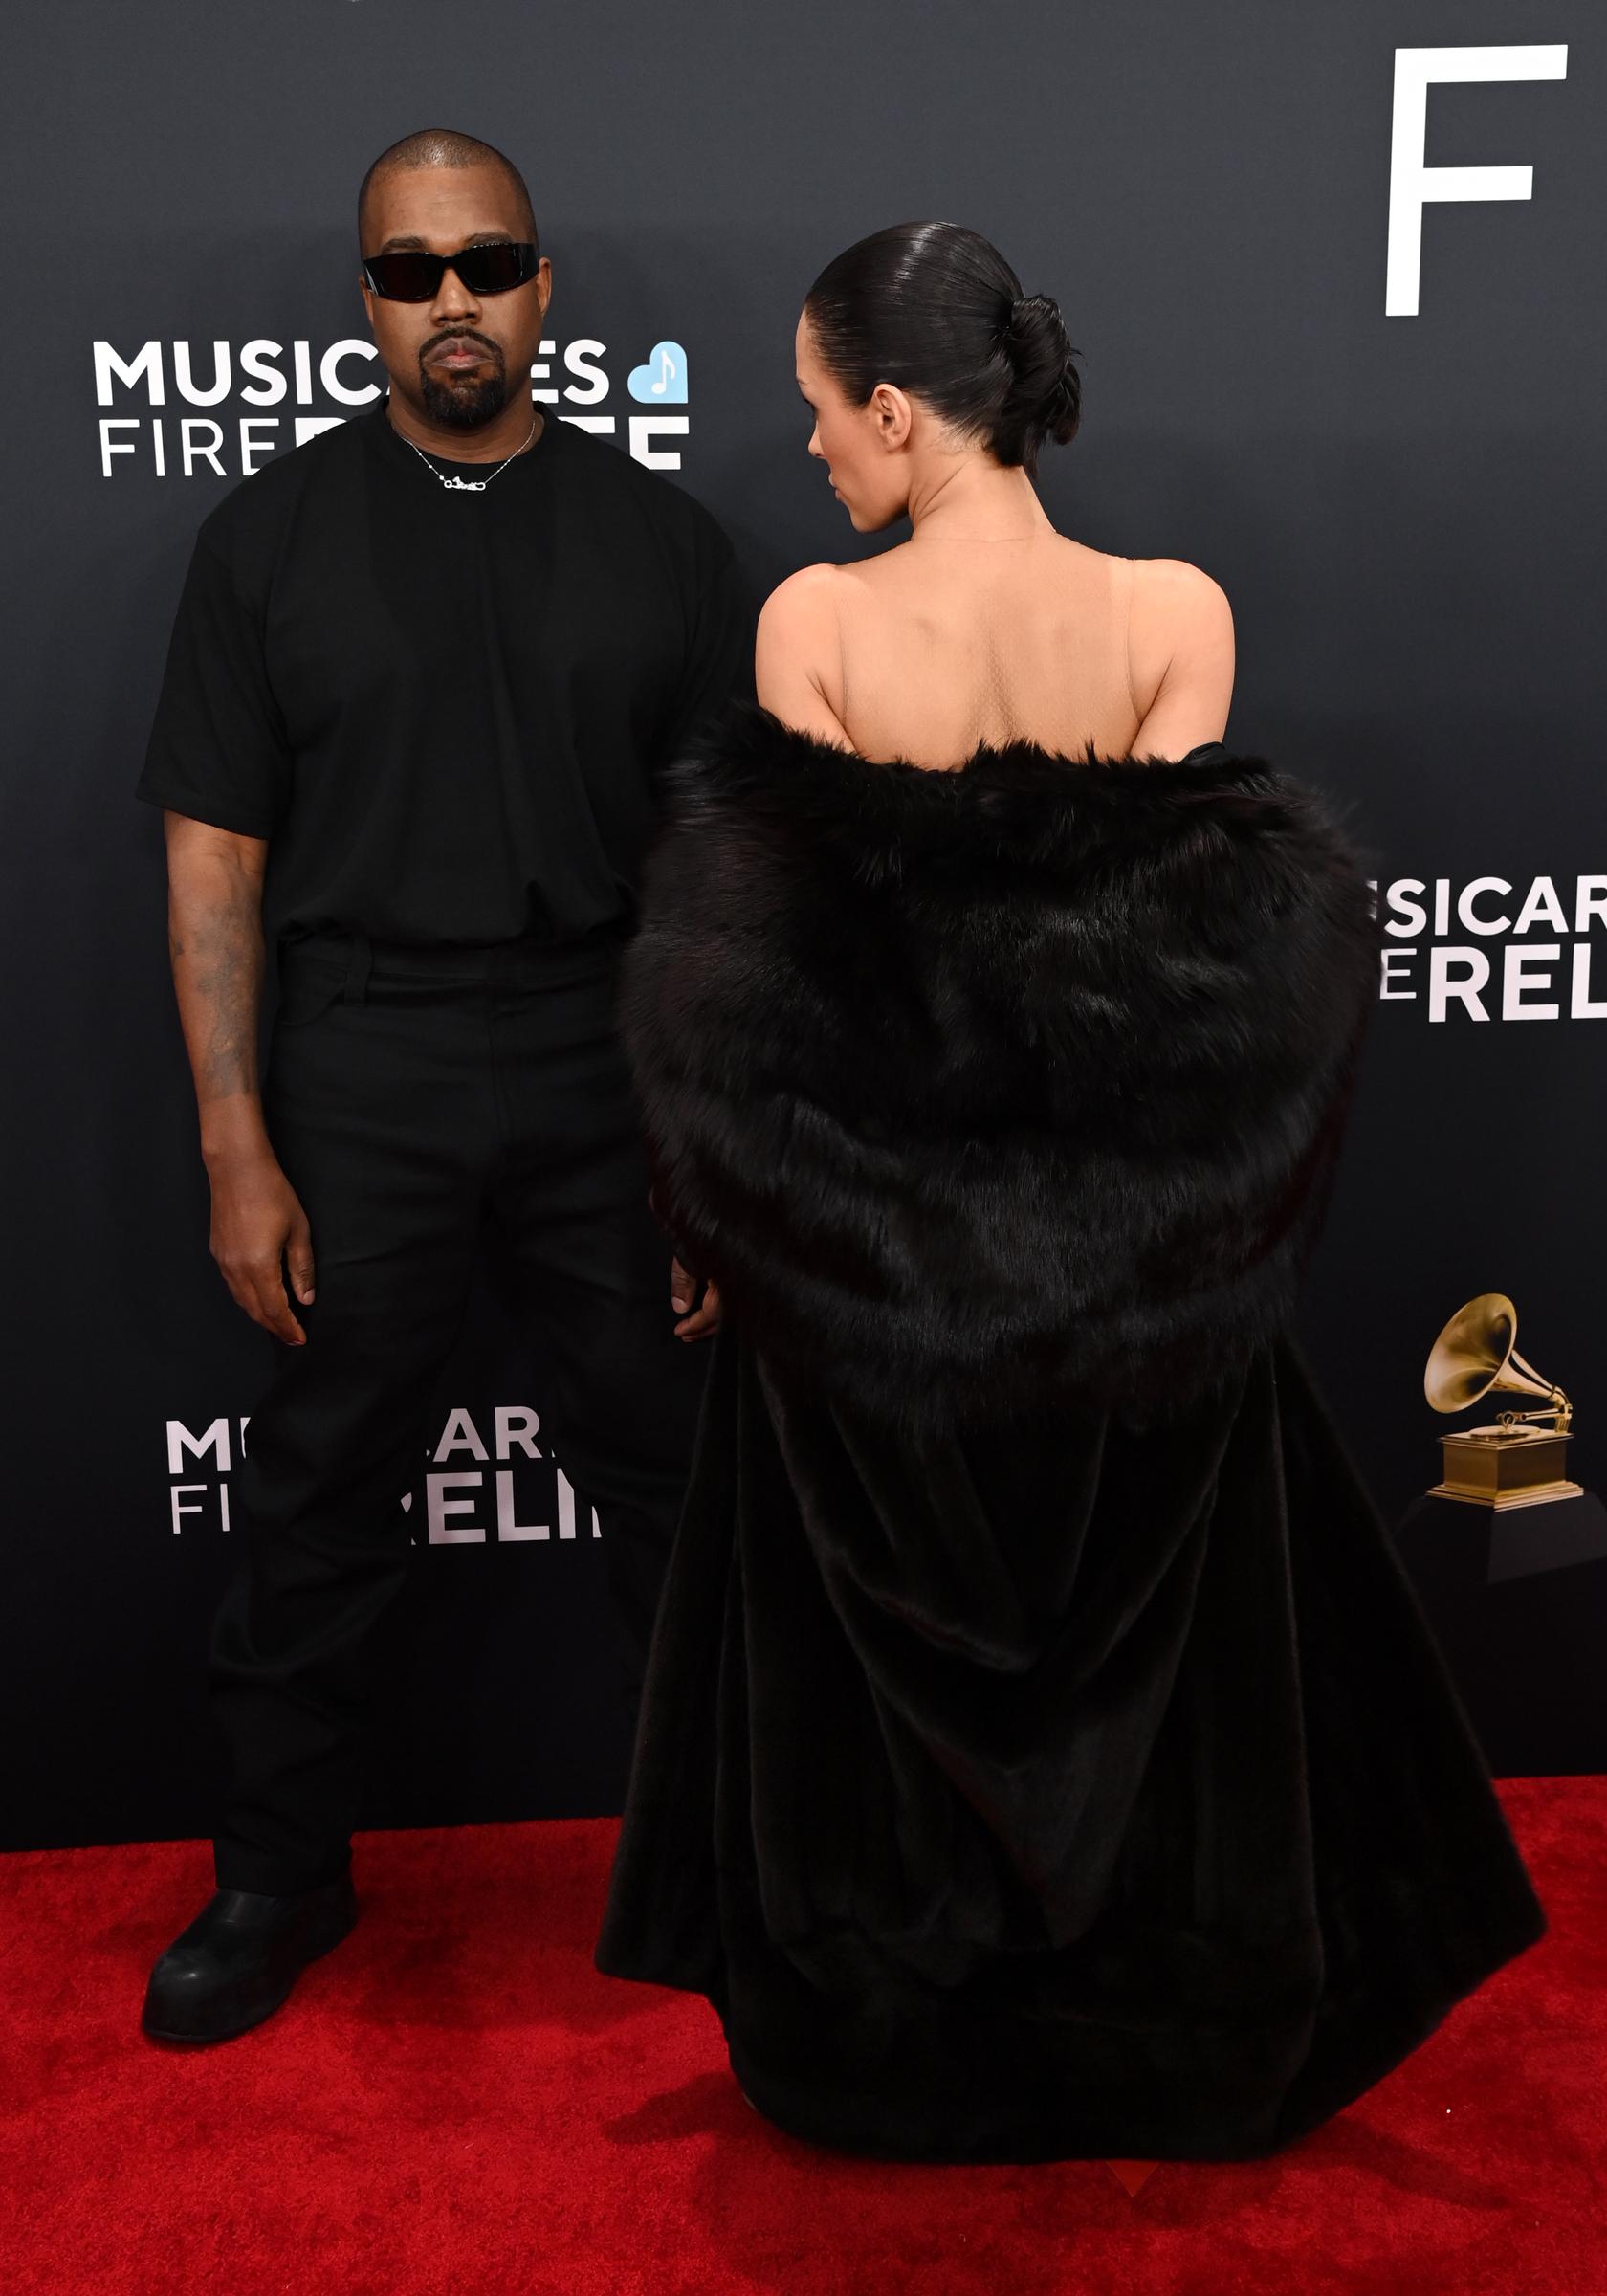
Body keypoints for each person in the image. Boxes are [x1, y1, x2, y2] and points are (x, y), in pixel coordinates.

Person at [593, 221, 1545, 2161]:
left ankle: (901, 2054)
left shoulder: (813, 627)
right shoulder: (1172, 612)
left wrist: (751, 1221)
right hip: (1137, 1284)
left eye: (816, 412)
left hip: (876, 1292)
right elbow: (1163, 976)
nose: (809, 453)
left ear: (891, 409)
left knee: (879, 1680)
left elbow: (791, 998)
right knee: (1159, 1679)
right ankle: (1158, 2031)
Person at [136, 129, 749, 2045]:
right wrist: (236, 1143)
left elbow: (720, 874)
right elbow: (214, 857)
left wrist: (709, 1148)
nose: (452, 300)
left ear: (543, 287)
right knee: (322, 1483)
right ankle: (277, 1876)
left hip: (604, 1054)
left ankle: (714, 1869)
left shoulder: (663, 543)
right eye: (411, 272)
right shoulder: (266, 539)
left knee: (673, 1478)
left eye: (486, 263)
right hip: (363, 1060)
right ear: (369, 303)